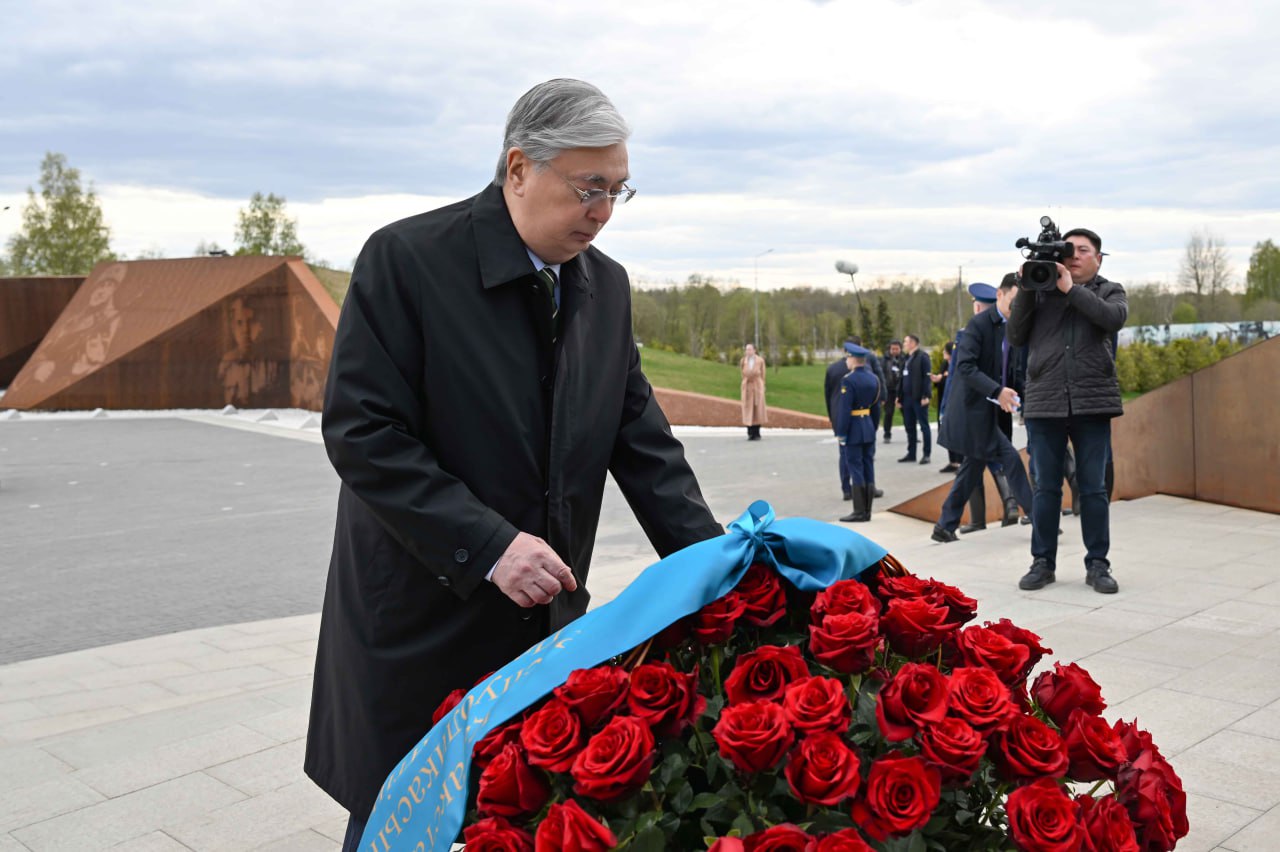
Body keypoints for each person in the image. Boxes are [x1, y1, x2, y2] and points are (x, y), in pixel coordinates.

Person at [305, 79, 724, 850]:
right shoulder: (408, 261)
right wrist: (489, 543)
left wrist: (719, 568)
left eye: (617, 191)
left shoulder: (606, 288)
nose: (601, 211)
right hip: (422, 617)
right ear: (519, 166)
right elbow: (364, 431)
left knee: (523, 819)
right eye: (588, 187)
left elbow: (644, 443)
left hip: (541, 622)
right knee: (404, 821)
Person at [1007, 227, 1126, 594]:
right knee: (1045, 488)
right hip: (1045, 403)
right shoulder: (1040, 290)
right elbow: (1015, 335)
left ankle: (1098, 564)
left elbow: (1112, 319)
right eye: (1068, 250)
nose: (1074, 256)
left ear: (1098, 258)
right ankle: (1042, 563)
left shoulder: (1110, 290)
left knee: (1092, 489)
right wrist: (1029, 285)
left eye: (1083, 250)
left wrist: (1070, 290)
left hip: (1092, 403)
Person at [931, 274, 1034, 543]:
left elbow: (1012, 371)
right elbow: (965, 368)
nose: (1017, 308)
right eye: (1013, 301)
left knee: (972, 468)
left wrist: (1022, 395)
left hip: (993, 413)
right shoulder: (977, 326)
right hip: (974, 412)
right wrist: (997, 391)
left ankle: (944, 525)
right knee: (1010, 458)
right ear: (1000, 294)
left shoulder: (1012, 328)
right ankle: (1038, 516)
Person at [835, 343, 882, 523]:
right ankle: (867, 510)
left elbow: (845, 410)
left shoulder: (848, 380)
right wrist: (873, 426)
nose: (846, 361)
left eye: (848, 357)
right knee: (868, 466)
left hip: (854, 429)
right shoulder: (874, 379)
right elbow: (876, 408)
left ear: (854, 360)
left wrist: (841, 433)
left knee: (855, 468)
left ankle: (859, 511)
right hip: (868, 427)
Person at [897, 333, 932, 465]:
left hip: (919, 398)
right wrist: (898, 397)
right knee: (909, 426)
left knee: (924, 426)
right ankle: (911, 453)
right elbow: (902, 378)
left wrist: (925, 395)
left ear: (913, 343)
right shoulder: (906, 358)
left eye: (906, 342)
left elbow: (926, 377)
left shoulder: (923, 357)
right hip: (906, 398)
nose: (904, 344)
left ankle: (926, 454)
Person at [932, 340, 960, 473]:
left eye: (945, 351)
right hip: (943, 401)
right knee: (945, 431)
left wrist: (942, 378)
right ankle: (953, 462)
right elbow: (943, 381)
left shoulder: (958, 365)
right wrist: (938, 379)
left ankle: (960, 462)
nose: (943, 353)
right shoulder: (945, 364)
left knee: (955, 432)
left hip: (954, 403)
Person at [740, 342, 767, 440]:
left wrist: (762, 385)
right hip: (747, 387)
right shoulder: (743, 361)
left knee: (757, 410)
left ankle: (757, 433)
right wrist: (744, 384)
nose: (748, 351)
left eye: (750, 349)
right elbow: (742, 373)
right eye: (747, 349)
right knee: (748, 410)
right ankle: (750, 432)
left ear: (754, 350)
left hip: (757, 386)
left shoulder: (760, 361)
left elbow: (763, 374)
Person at [881, 339, 904, 442]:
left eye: (897, 349)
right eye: (892, 349)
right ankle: (887, 434)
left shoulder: (904, 359)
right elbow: (881, 375)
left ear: (900, 349)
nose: (894, 351)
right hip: (889, 390)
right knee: (889, 413)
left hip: (901, 390)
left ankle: (911, 433)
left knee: (906, 413)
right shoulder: (884, 360)